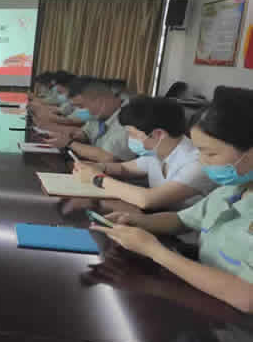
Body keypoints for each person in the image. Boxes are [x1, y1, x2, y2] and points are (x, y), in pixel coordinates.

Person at [91, 86, 253, 313]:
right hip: (202, 299)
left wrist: (155, 251)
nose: (202, 162)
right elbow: (182, 220)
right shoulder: (230, 190)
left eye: (210, 153)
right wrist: (137, 221)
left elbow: (246, 296)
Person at [74, 96, 217, 211]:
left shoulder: (197, 163)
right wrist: (98, 167)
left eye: (133, 134)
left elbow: (147, 199)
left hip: (185, 234)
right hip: (156, 219)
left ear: (158, 134)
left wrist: (97, 178)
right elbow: (124, 168)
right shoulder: (157, 152)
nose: (130, 139)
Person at [45, 80, 136, 163]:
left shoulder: (129, 117)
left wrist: (70, 143)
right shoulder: (101, 114)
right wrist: (71, 136)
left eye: (81, 106)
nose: (79, 110)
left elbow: (108, 158)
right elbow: (86, 134)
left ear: (100, 101)